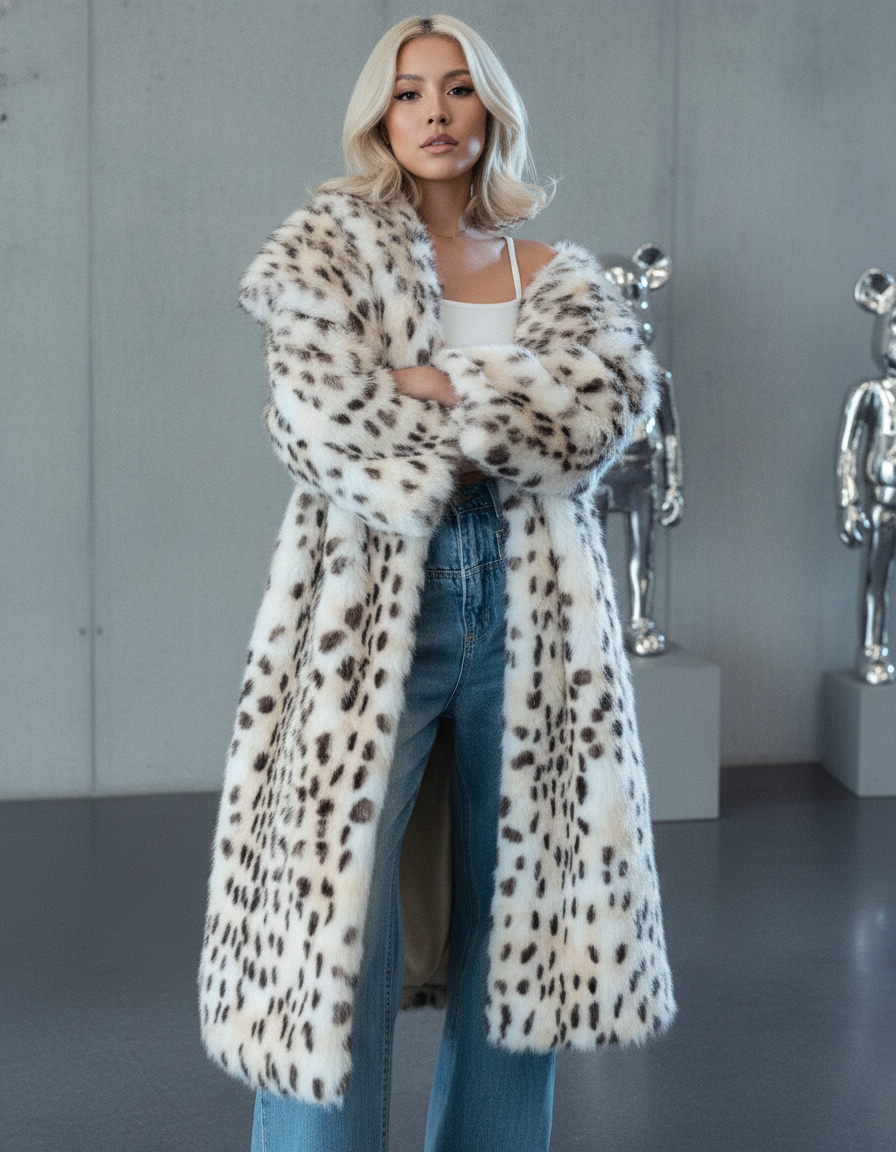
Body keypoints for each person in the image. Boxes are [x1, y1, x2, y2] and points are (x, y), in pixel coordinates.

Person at [199, 15, 676, 1151]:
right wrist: (506, 399)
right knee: (329, 933)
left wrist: (436, 381)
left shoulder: (555, 272)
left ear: (490, 112)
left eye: (457, 89)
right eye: (409, 92)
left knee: (521, 927)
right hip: (367, 608)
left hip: (537, 607)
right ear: (380, 117)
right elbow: (324, 426)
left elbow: (601, 420)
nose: (434, 112)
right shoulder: (328, 255)